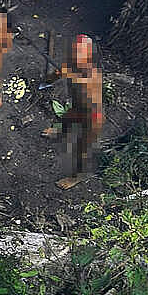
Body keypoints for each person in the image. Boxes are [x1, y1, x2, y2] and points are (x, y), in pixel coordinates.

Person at [41, 34, 103, 189]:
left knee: (83, 150)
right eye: (75, 52)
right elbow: (50, 79)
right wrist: (55, 75)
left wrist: (70, 75)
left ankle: (77, 177)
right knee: (66, 121)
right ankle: (60, 134)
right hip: (77, 108)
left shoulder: (92, 74)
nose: (76, 56)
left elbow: (88, 94)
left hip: (92, 116)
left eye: (81, 53)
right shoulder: (71, 65)